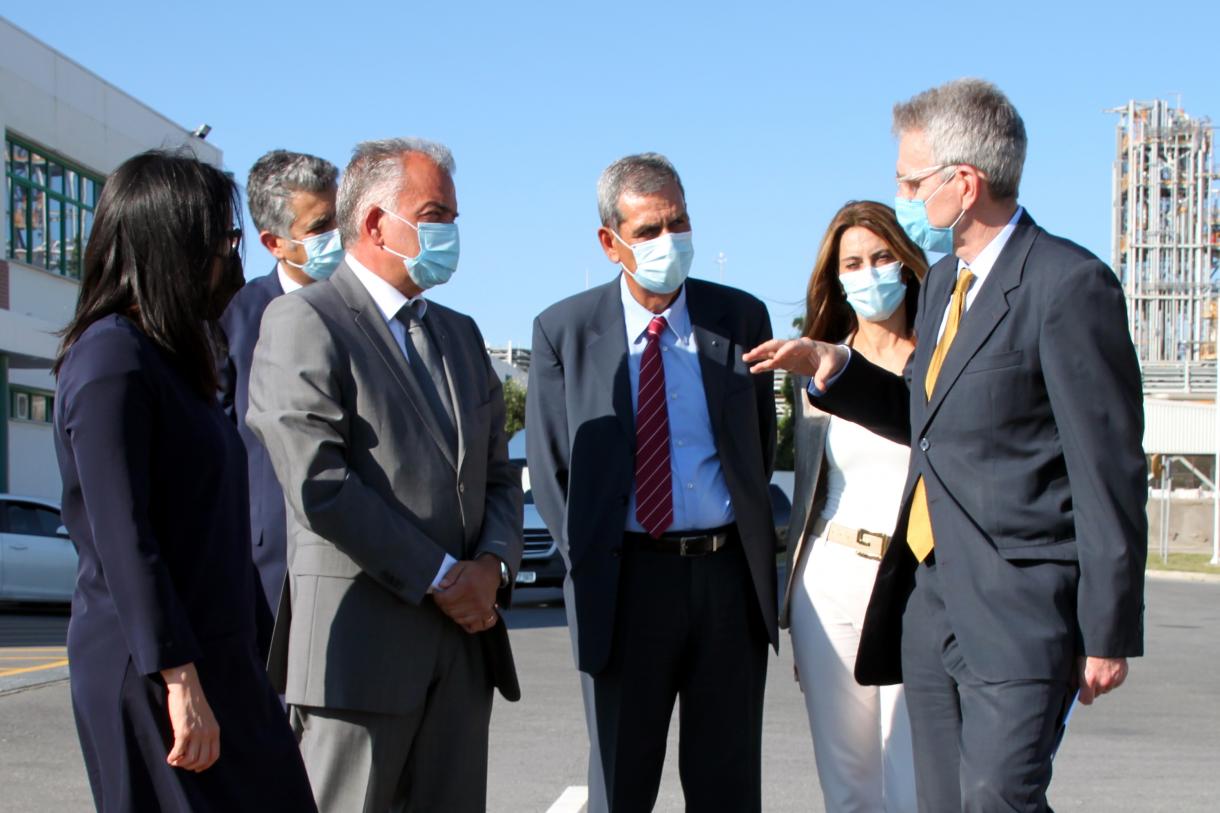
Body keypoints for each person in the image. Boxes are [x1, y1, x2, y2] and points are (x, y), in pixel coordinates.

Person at [745, 78, 1147, 812]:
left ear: (963, 184)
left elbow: (1108, 467)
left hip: (1021, 605)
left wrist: (1108, 625)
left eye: (909, 181)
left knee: (997, 797)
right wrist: (836, 367)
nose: (900, 195)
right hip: (929, 603)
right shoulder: (941, 289)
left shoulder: (1067, 284)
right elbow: (926, 420)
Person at [247, 137, 523, 812]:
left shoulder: (460, 334)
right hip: (359, 657)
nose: (451, 232)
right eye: (435, 215)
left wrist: (492, 566)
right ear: (374, 223)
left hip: (462, 652)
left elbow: (497, 472)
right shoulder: (304, 319)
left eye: (453, 217)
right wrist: (441, 577)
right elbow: (319, 482)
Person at [52, 150, 316, 812]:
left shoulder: (174, 355)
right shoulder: (111, 359)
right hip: (156, 669)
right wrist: (178, 678)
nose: (232, 260)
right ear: (172, 246)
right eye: (222, 241)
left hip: (217, 654)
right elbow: (125, 537)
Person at [527, 153, 778, 812]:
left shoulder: (741, 319)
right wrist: (596, 563)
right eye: (648, 230)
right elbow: (554, 472)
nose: (670, 241)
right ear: (610, 243)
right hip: (626, 583)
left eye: (679, 222)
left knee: (728, 788)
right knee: (621, 785)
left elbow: (757, 448)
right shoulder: (564, 331)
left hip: (725, 581)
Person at [782, 200, 924, 813]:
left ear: (907, 262)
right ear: (836, 278)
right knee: (848, 789)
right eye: (853, 263)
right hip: (831, 577)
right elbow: (807, 486)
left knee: (912, 782)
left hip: (916, 579)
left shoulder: (942, 357)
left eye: (882, 257)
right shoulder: (817, 366)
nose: (869, 273)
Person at [218, 150, 340, 656]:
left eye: (340, 218)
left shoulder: (369, 312)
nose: (338, 236)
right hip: (269, 563)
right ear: (274, 243)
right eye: (320, 226)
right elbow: (218, 442)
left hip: (368, 556)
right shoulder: (235, 318)